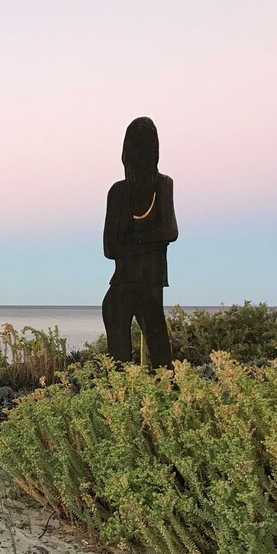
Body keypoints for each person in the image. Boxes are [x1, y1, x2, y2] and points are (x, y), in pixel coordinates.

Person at [102, 117, 178, 367]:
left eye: (149, 144)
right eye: (137, 145)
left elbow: (171, 231)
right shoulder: (118, 192)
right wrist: (153, 239)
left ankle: (163, 401)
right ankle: (121, 401)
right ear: (127, 151)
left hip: (151, 286)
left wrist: (131, 238)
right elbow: (110, 249)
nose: (143, 152)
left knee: (162, 364)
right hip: (122, 284)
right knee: (119, 366)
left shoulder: (163, 185)